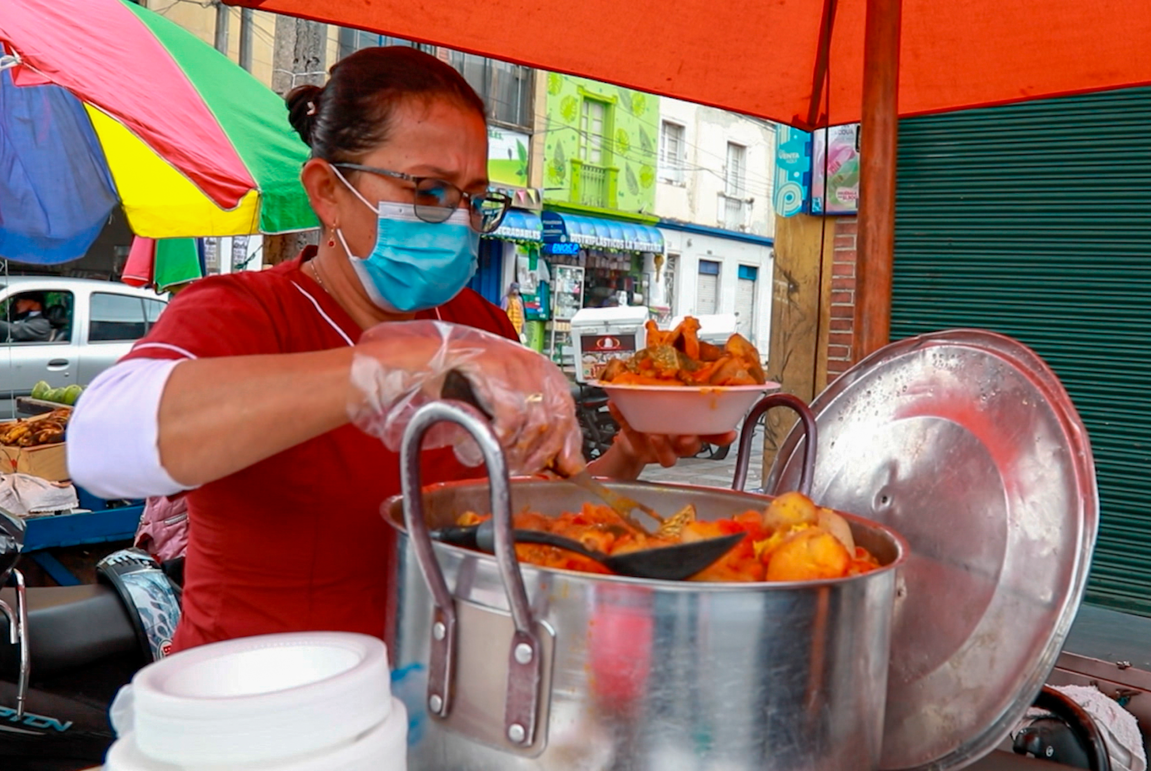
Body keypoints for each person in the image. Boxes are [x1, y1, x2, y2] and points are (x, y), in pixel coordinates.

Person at [66, 47, 729, 652]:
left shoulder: (479, 325)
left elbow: (535, 519)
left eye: (474, 199)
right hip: (256, 713)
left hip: (429, 706)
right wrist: (398, 363)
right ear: (327, 191)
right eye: (429, 191)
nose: (462, 220)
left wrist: (628, 455)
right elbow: (100, 446)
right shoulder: (244, 313)